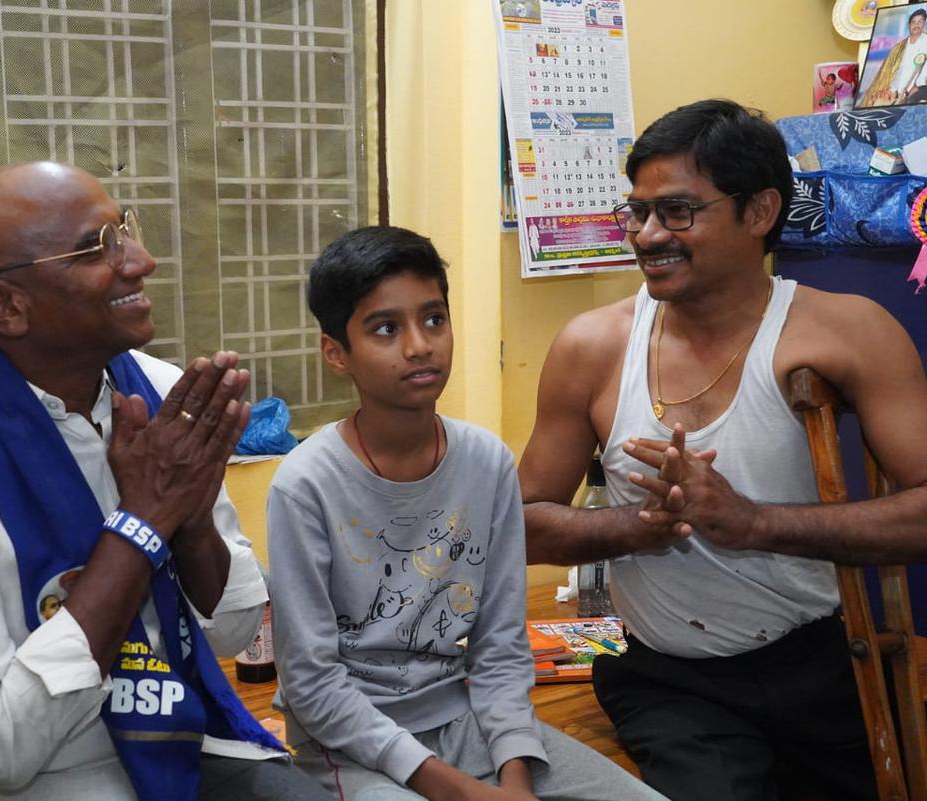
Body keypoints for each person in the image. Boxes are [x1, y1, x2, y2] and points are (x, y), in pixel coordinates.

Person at [0, 162, 334, 801]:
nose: (142, 260)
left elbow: (232, 631)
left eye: (124, 228)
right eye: (98, 246)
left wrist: (186, 519)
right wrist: (145, 520)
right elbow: (2, 747)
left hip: (176, 737)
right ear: (6, 306)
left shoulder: (158, 393)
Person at [518, 98, 927, 801]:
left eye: (677, 212)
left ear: (760, 211)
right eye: (637, 211)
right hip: (670, 678)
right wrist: (636, 527)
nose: (647, 235)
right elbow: (519, 518)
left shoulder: (849, 331)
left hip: (818, 660)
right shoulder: (593, 346)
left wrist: (752, 522)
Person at [267, 226, 666, 801]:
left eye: (434, 319)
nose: (419, 346)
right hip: (349, 741)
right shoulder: (305, 484)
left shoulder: (487, 464)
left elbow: (500, 645)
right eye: (385, 329)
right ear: (337, 353)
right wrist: (457, 790)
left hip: (468, 721)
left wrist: (515, 775)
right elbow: (312, 685)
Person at [859, 8, 927, 107]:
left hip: (913, 97)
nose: (916, 25)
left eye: (920, 22)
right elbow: (884, 74)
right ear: (909, 25)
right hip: (890, 97)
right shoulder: (898, 47)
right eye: (914, 22)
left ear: (924, 24)